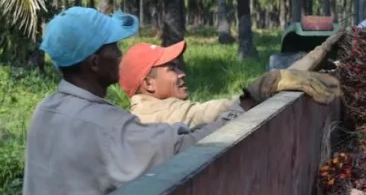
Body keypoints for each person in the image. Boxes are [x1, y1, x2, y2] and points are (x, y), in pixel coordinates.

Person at [20, 7, 337, 195]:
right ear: (93, 62)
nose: (119, 54)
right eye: (113, 48)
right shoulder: (105, 127)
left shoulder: (47, 110)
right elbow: (187, 151)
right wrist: (250, 100)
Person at [119, 41, 339, 128]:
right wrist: (259, 90)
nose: (182, 74)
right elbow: (214, 111)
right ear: (148, 83)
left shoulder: (147, 113)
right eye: (172, 68)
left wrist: (314, 56)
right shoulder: (161, 118)